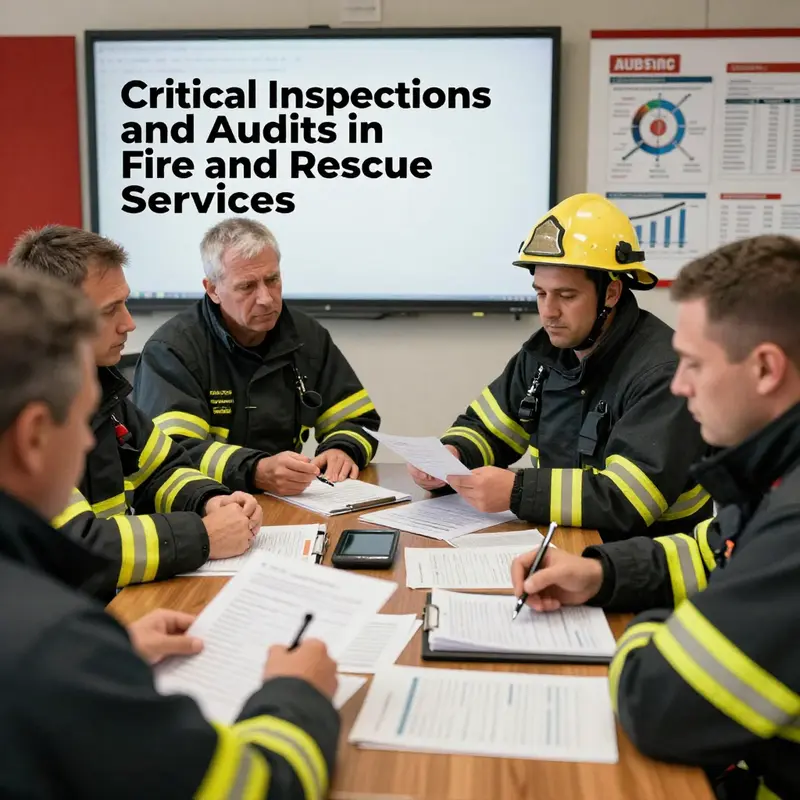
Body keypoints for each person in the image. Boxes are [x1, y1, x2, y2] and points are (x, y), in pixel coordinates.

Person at [0, 266, 340, 799]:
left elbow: (164, 464)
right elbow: (261, 789)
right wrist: (296, 695)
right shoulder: (52, 647)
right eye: (79, 420)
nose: (89, 447)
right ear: (35, 436)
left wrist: (210, 499)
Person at [510, 235, 800, 800]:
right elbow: (714, 553)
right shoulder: (775, 472)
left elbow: (660, 705)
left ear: (765, 368)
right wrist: (600, 573)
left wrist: (645, 627)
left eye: (694, 363)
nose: (679, 384)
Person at [410, 193, 711, 541]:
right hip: (563, 545)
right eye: (541, 293)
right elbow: (489, 428)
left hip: (641, 569)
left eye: (566, 296)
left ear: (611, 293)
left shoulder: (664, 372)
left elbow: (628, 500)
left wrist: (517, 491)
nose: (549, 311)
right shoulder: (546, 353)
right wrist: (454, 456)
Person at [8, 226, 261, 601]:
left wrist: (209, 500)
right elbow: (77, 545)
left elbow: (161, 469)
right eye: (110, 310)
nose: (128, 323)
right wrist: (204, 535)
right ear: (55, 318)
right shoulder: (19, 408)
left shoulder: (101, 387)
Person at [132, 217, 381, 497]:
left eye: (272, 280)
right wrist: (255, 470)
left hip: (288, 502)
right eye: (247, 286)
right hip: (207, 506)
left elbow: (359, 418)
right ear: (212, 289)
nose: (266, 298)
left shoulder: (306, 336)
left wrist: (342, 447)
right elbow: (172, 452)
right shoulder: (172, 350)